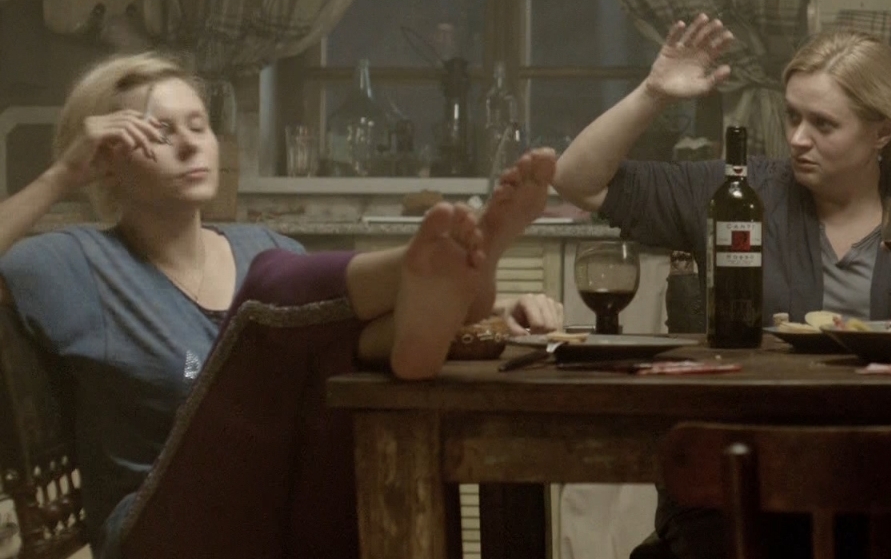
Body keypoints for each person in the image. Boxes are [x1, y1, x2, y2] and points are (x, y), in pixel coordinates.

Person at [0, 51, 563, 559]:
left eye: (198, 125)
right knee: (269, 294)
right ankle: (428, 263)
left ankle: (449, 292)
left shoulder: (260, 244)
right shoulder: (71, 263)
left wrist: (491, 313)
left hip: (282, 511)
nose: (191, 144)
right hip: (160, 532)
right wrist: (62, 175)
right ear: (108, 160)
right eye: (161, 132)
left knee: (332, 348)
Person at [553, 15, 891, 559]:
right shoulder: (736, 192)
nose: (798, 138)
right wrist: (654, 93)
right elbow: (577, 181)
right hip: (745, 476)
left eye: (823, 124)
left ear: (881, 132)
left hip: (889, 478)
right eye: (793, 116)